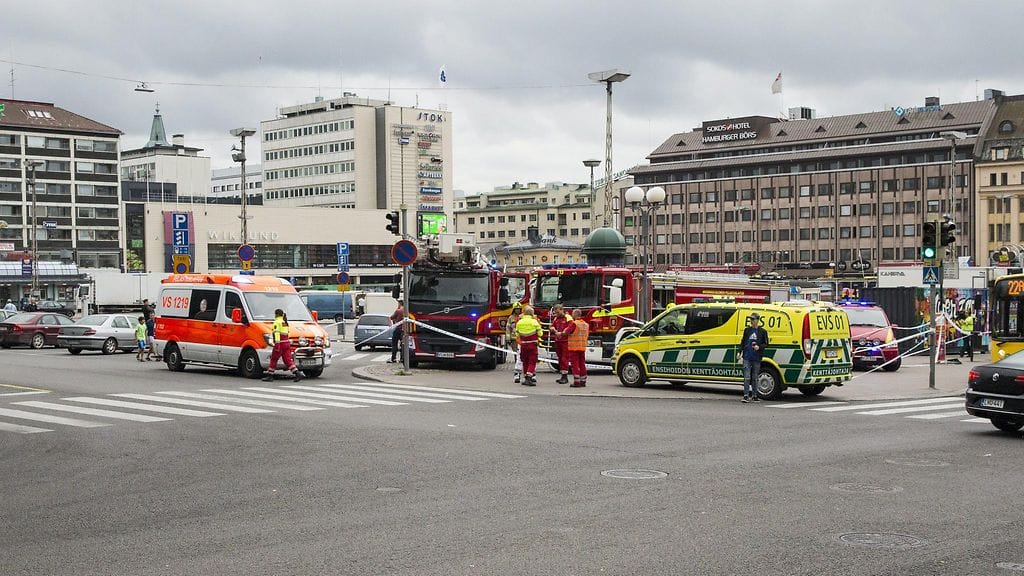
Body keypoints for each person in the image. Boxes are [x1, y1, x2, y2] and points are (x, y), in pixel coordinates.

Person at [262, 308, 304, 382]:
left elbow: (277, 333)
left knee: (274, 359)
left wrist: (277, 344)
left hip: (280, 343)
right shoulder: (284, 322)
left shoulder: (277, 322)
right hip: (286, 343)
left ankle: (270, 375)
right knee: (288, 360)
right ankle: (297, 373)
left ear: (276, 314)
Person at [740, 312, 769, 403]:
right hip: (747, 356)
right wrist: (739, 351)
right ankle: (745, 395)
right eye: (750, 319)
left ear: (757, 320)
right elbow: (743, 342)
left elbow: (766, 343)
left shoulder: (762, 331)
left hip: (756, 357)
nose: (751, 321)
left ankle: (754, 395)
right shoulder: (747, 330)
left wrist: (759, 347)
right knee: (747, 377)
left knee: (755, 377)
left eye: (753, 319)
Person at [515, 306, 542, 386]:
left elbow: (517, 334)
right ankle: (529, 376)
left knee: (525, 361)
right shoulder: (534, 322)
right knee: (532, 361)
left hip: (523, 345)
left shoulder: (519, 322)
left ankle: (525, 377)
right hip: (532, 345)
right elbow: (540, 334)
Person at [565, 308, 589, 388]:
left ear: (575, 315)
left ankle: (577, 381)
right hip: (582, 348)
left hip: (574, 348)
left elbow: (567, 332)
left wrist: (560, 332)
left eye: (573, 314)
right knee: (582, 364)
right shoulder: (586, 324)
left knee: (575, 365)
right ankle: (583, 381)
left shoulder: (574, 323)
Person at [550, 303, 573, 384]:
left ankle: (565, 376)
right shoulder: (556, 318)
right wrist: (552, 329)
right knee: (560, 358)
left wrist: (562, 333)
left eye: (558, 312)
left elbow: (570, 327)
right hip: (558, 341)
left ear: (562, 310)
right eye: (555, 312)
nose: (556, 314)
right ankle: (562, 375)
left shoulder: (568, 317)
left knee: (564, 359)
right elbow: (552, 326)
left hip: (565, 341)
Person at [506, 303, 523, 384]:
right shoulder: (511, 318)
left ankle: (520, 368)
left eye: (519, 309)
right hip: (513, 339)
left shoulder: (522, 317)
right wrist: (508, 338)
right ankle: (518, 368)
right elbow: (508, 328)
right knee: (516, 354)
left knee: (521, 354)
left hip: (520, 339)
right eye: (516, 309)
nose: (518, 310)